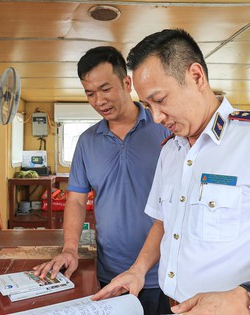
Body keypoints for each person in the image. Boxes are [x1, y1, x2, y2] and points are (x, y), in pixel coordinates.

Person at [92, 29, 250, 315]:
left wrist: (244, 299)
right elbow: (163, 222)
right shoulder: (171, 150)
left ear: (196, 76)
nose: (156, 116)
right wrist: (137, 270)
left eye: (160, 100)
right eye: (148, 105)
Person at [32, 46, 172, 315]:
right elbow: (75, 200)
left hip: (162, 272)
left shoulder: (164, 129)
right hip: (111, 272)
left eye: (106, 89)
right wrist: (70, 249)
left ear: (127, 83)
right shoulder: (86, 142)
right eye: (90, 93)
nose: (99, 101)